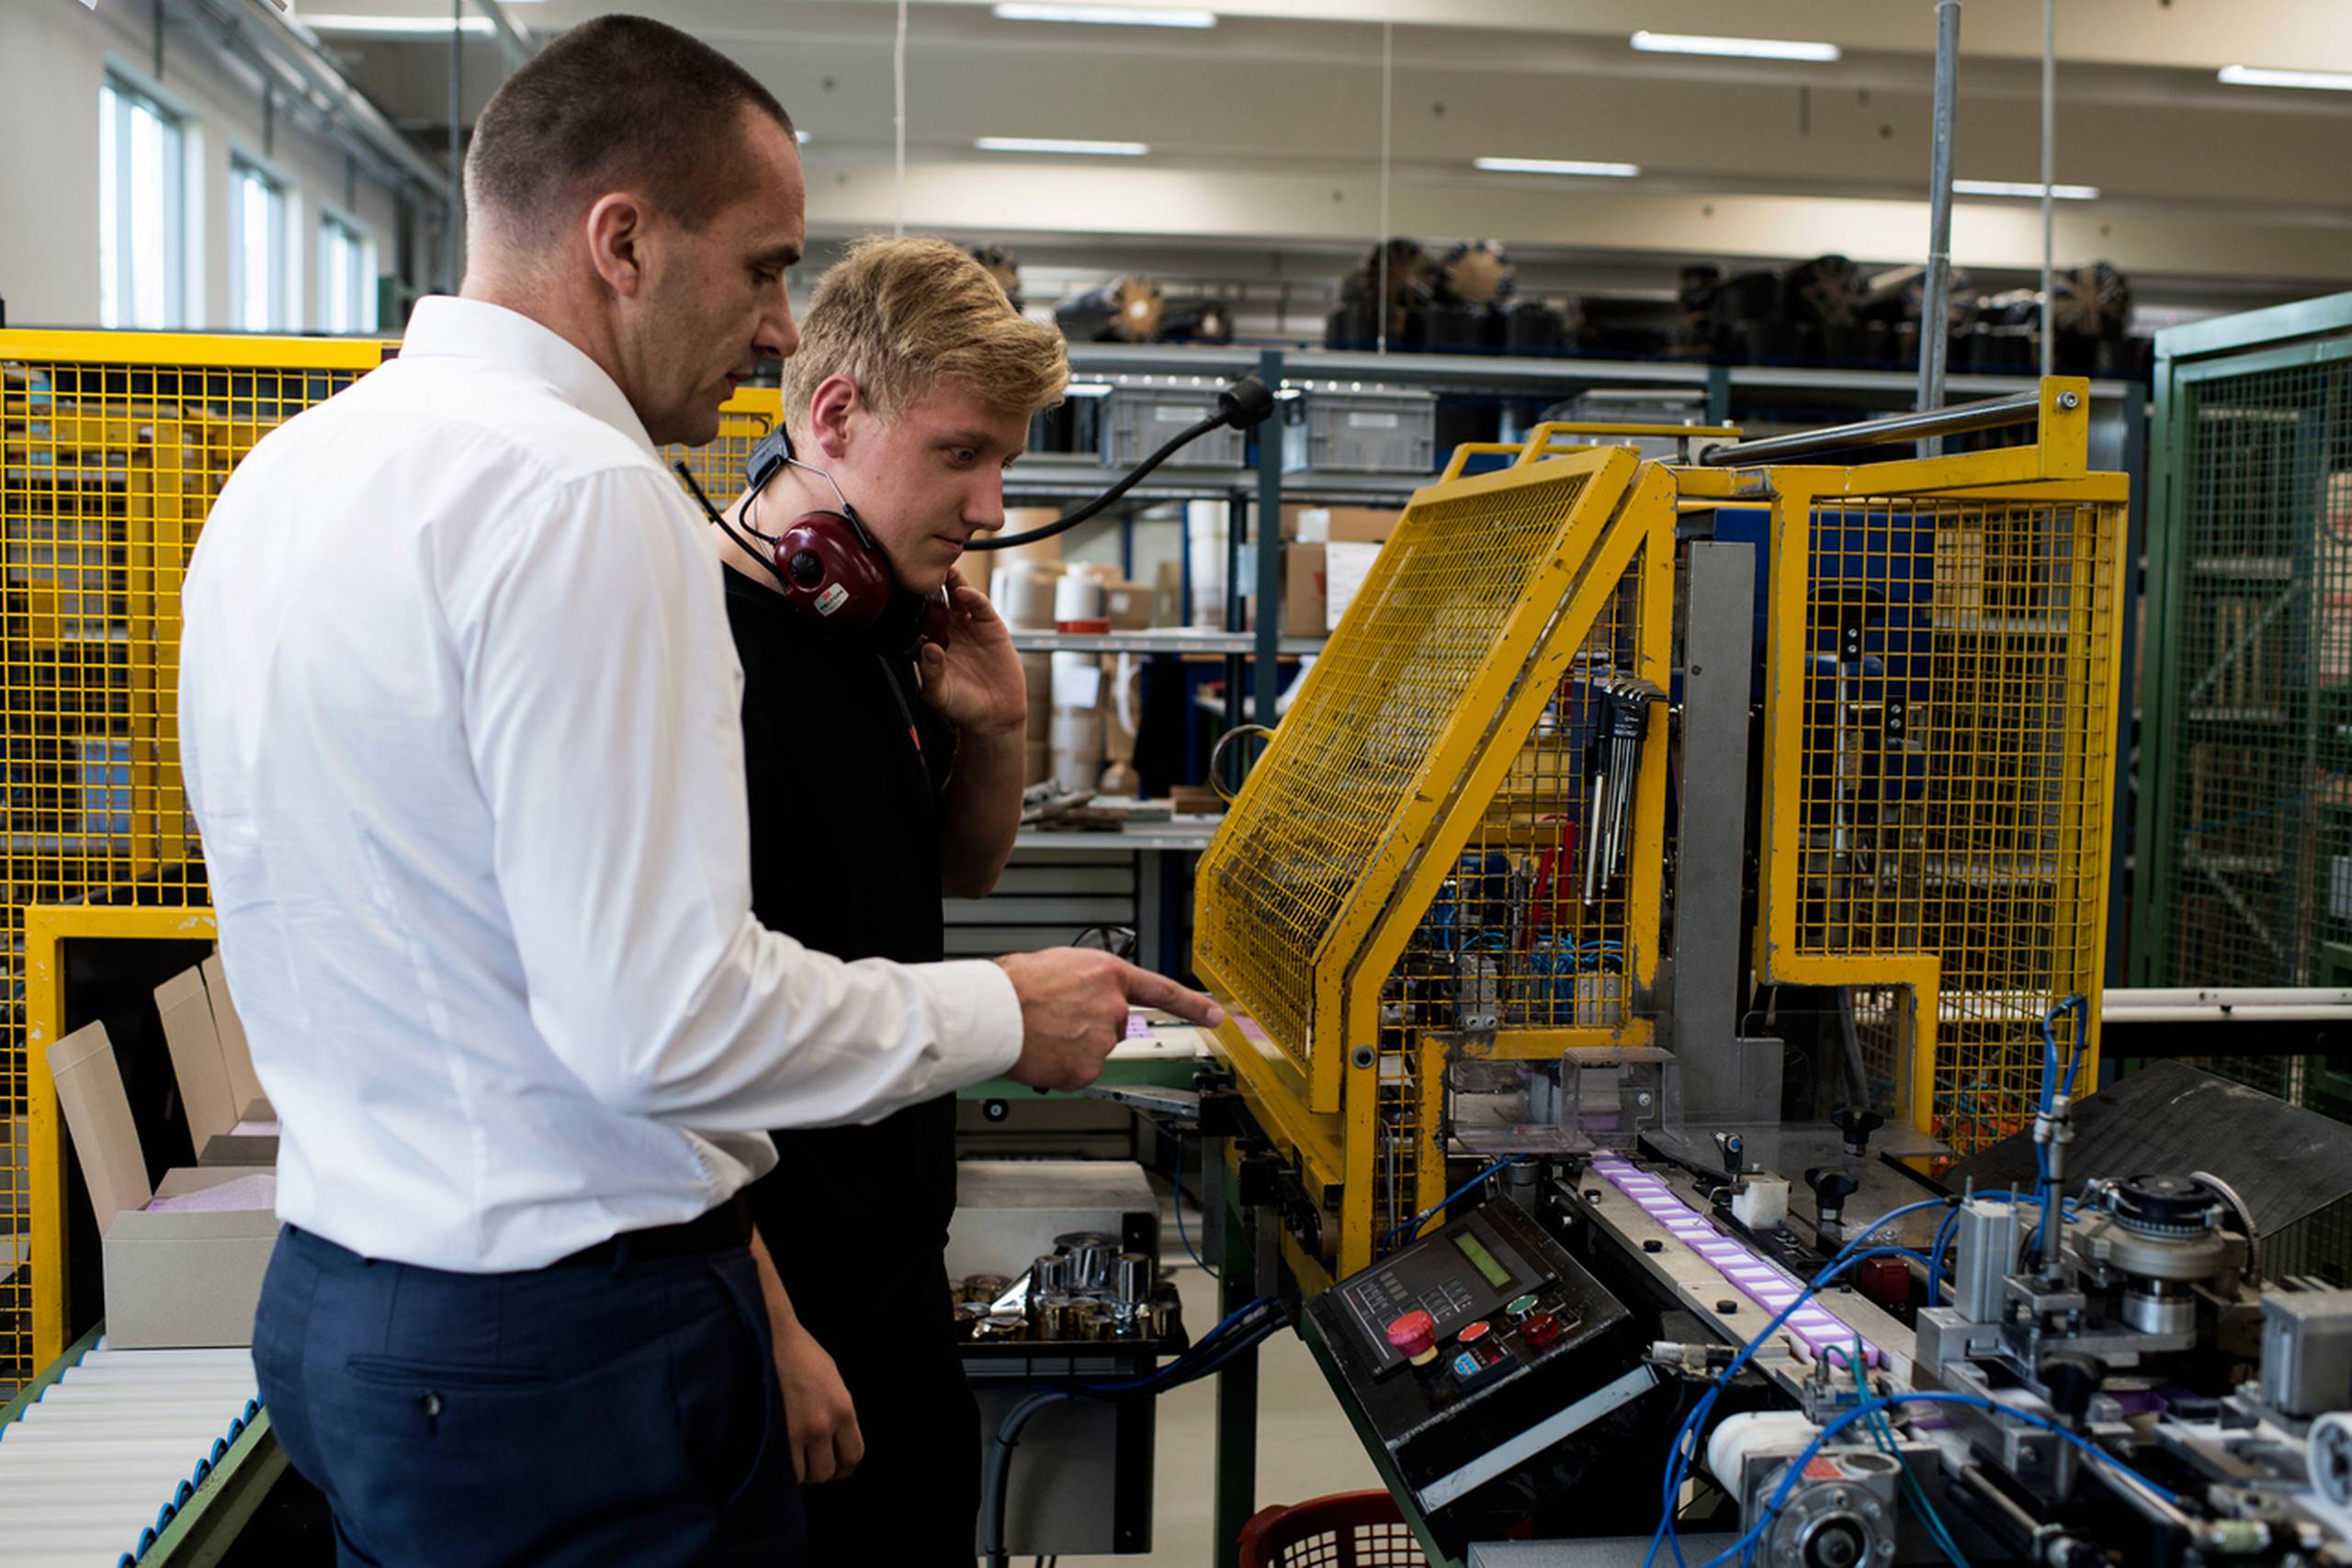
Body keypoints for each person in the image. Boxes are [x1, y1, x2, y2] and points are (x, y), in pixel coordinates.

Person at [174, 16, 1218, 1566]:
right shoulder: (587, 496)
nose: (783, 328)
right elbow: (659, 1021)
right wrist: (1003, 1010)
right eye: (762, 269)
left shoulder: (292, 473)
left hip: (351, 1298)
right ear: (622, 241)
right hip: (568, 1344)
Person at [706, 235, 1064, 1562]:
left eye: (1006, 461)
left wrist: (1003, 728)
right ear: (837, 412)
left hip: (894, 1262)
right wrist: (770, 1325)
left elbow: (954, 871)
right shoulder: (699, 649)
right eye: (962, 453)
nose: (990, 505)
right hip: (774, 1289)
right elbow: (649, 1030)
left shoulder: (873, 621)